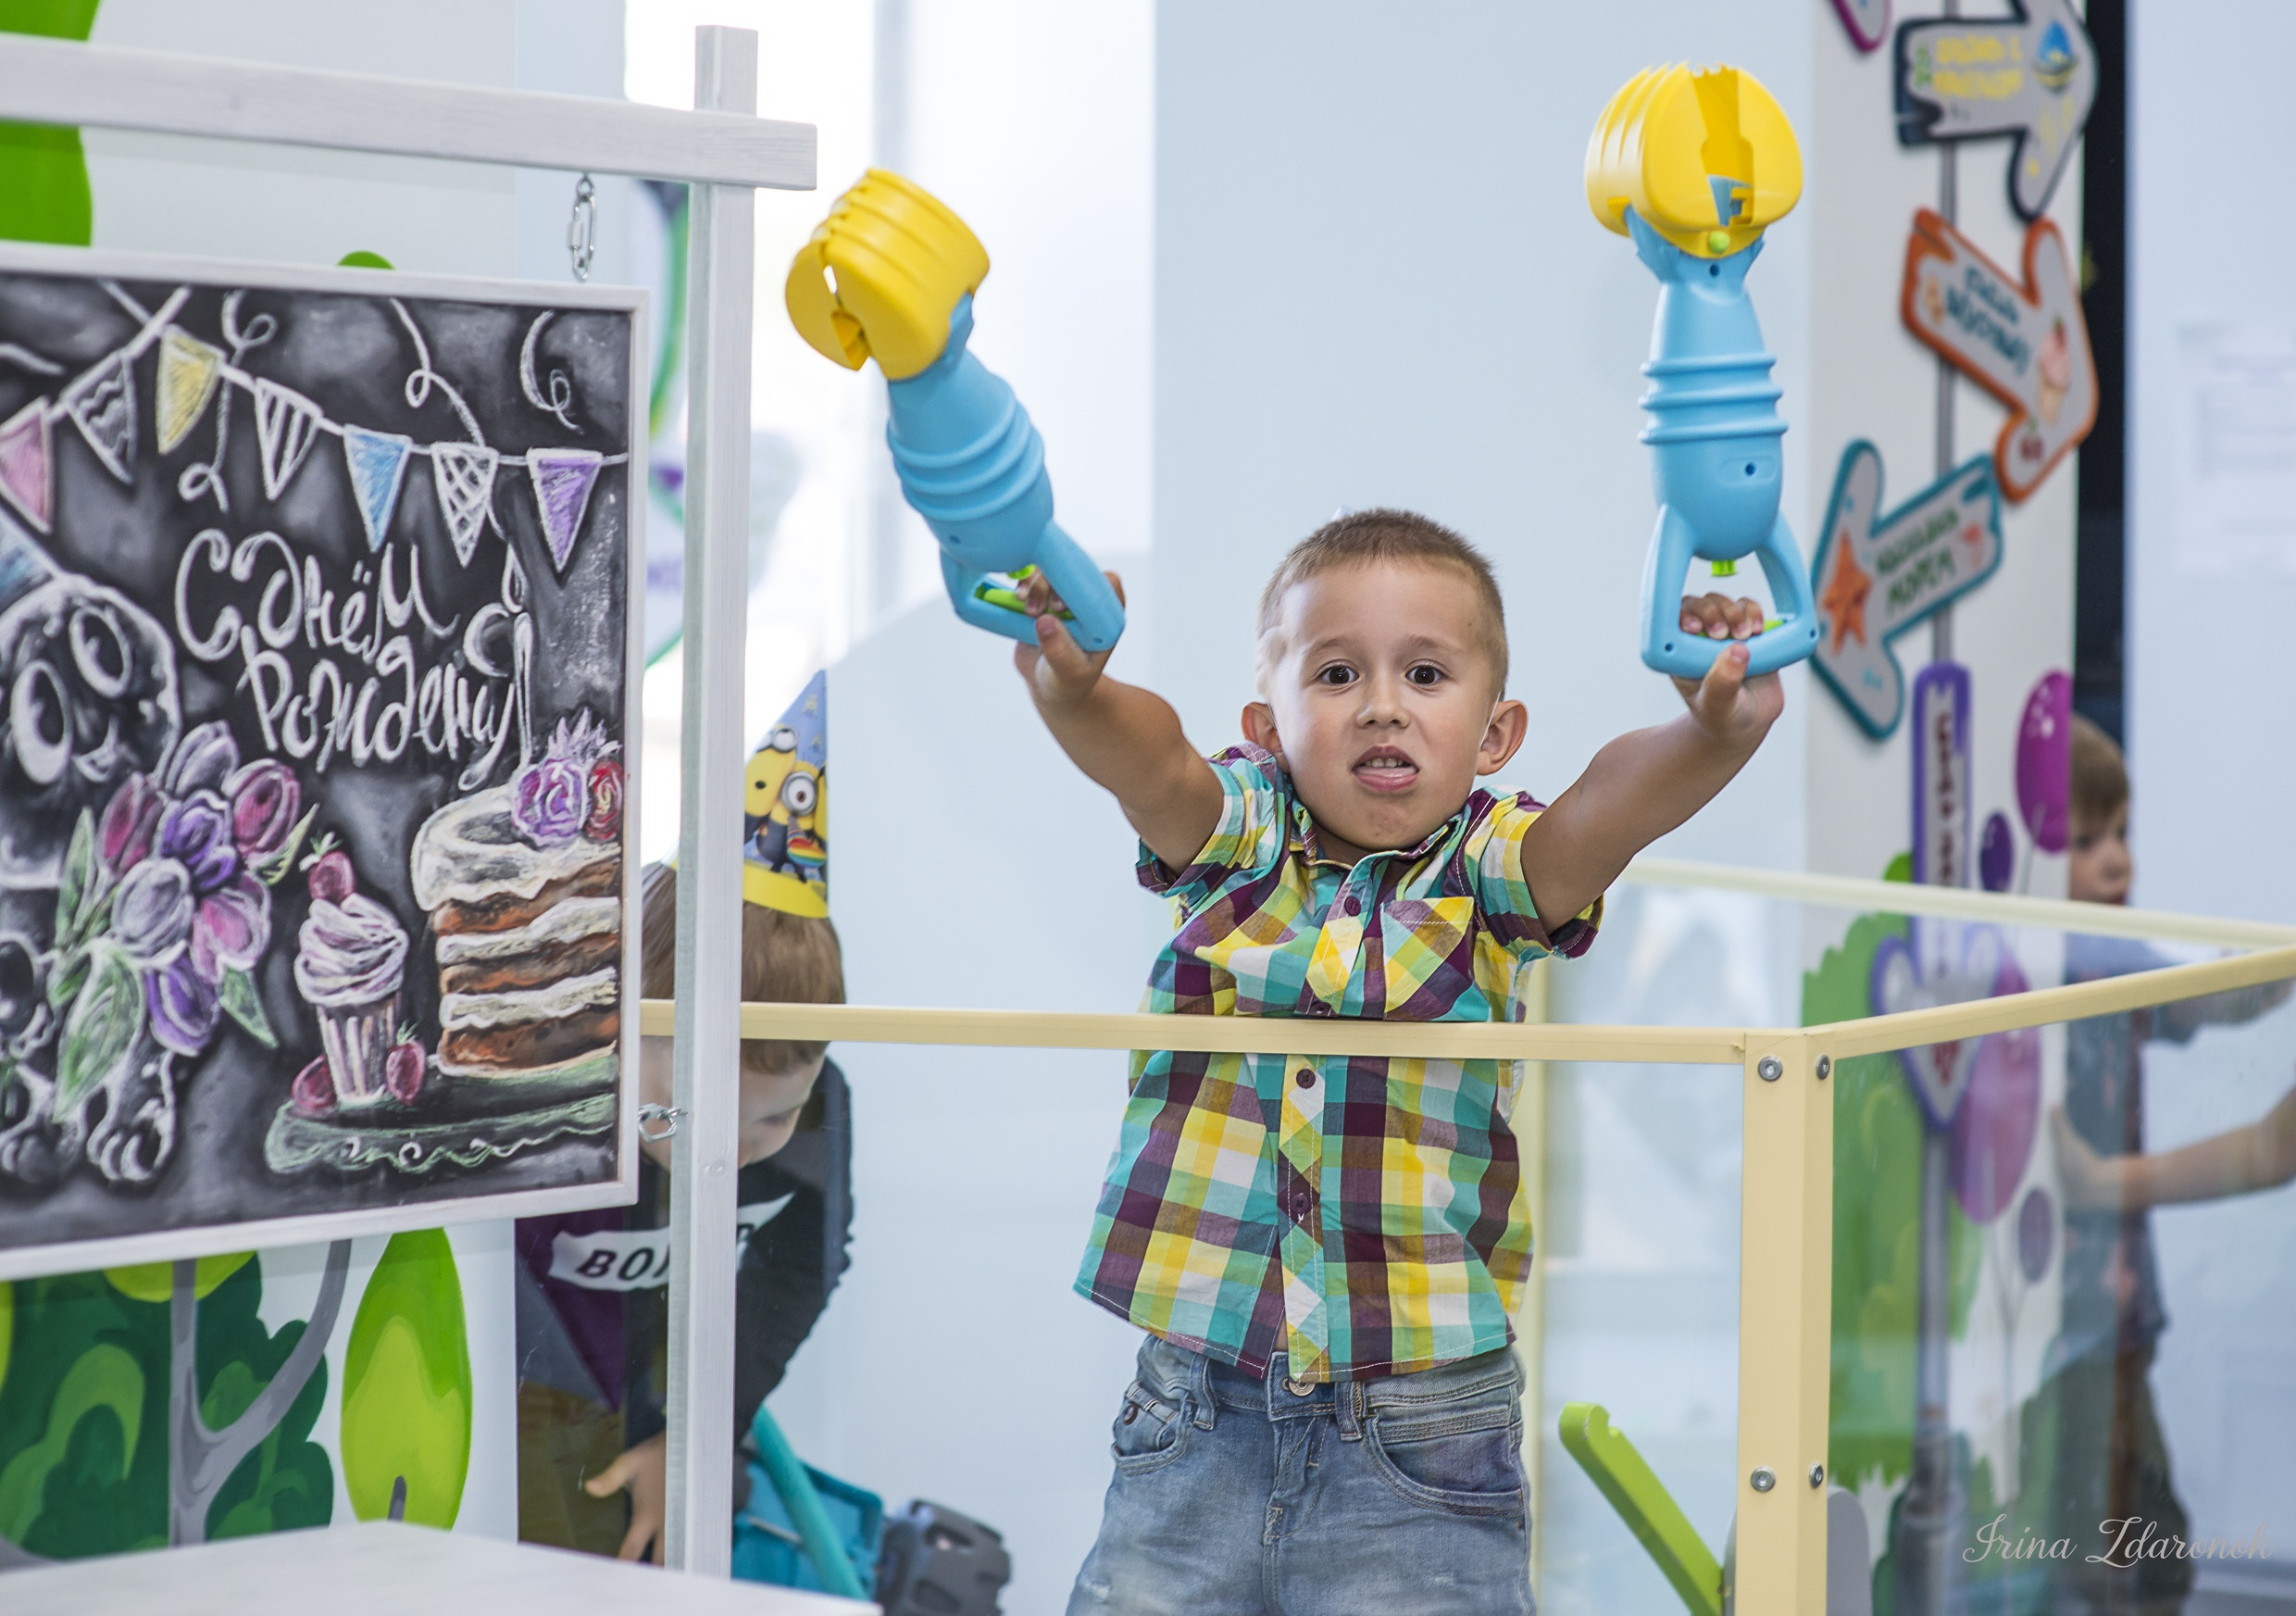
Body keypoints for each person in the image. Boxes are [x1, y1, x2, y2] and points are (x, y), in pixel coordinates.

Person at [1017, 509, 1781, 1614]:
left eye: (1425, 672)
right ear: (1269, 724)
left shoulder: (1490, 868)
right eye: (1335, 672)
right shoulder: (1242, 838)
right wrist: (1078, 694)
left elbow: (1603, 816)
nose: (1381, 701)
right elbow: (1156, 768)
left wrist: (1716, 733)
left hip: (1423, 1428)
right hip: (1196, 1404)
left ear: (1494, 733)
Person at [515, 672, 851, 1566]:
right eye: (686, 1114)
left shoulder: (823, 1105)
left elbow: (799, 1270)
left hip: (675, 1405)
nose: (731, 1157)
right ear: (624, 1032)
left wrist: (699, 1434)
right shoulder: (561, 1089)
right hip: (526, 1392)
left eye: (770, 1123)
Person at [2044, 713, 2296, 1610]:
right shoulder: (2038, 971)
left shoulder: (2123, 969)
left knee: (2151, 1545)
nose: (2116, 861)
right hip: (2058, 1327)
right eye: (2086, 842)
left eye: (2121, 834)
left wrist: (2287, 970)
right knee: (2086, 1539)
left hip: (2127, 1311)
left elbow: (2207, 1004)